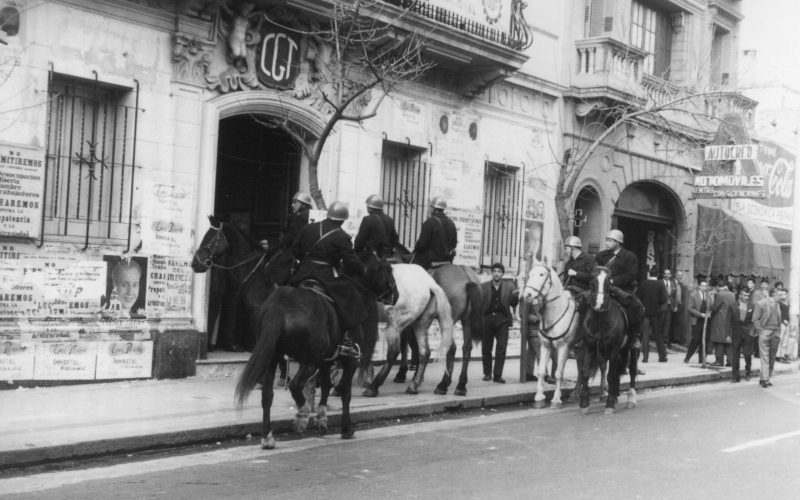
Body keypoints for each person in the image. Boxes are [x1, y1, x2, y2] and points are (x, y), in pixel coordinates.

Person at [289, 201, 366, 358]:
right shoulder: (341, 236)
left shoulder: (308, 228)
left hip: (302, 274)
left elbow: (295, 250)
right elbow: (351, 261)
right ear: (343, 220)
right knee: (350, 296)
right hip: (324, 275)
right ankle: (348, 341)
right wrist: (361, 270)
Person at [594, 229, 643, 349]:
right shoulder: (601, 255)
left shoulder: (630, 257)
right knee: (584, 301)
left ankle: (635, 335)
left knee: (635, 305)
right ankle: (583, 335)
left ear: (617, 242)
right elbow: (595, 270)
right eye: (607, 240)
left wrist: (612, 281)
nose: (607, 243)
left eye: (609, 241)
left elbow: (630, 275)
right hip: (601, 287)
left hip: (621, 287)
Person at [481, 263, 519, 384]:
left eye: (499, 271)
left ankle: (497, 375)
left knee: (501, 347)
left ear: (502, 273)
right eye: (494, 271)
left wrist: (516, 296)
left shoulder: (510, 286)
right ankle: (487, 374)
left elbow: (513, 304)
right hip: (488, 319)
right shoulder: (484, 286)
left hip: (503, 319)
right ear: (491, 273)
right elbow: (480, 303)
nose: (496, 273)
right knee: (486, 347)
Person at [412, 196, 457, 270]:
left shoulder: (429, 222)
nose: (429, 209)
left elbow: (422, 245)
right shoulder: (451, 223)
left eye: (430, 207)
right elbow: (454, 244)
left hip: (430, 261)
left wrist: (417, 246)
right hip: (447, 260)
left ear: (434, 209)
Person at [752, 288, 782, 387]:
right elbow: (755, 319)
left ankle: (765, 378)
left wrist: (778, 331)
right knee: (765, 356)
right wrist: (761, 331)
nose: (781, 297)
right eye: (779, 295)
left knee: (772, 357)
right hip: (765, 331)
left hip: (775, 332)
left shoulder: (778, 305)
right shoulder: (761, 303)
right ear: (774, 295)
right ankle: (765, 379)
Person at [354, 194, 399, 260]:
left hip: (372, 257)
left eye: (367, 206)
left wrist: (356, 252)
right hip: (387, 255)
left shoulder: (367, 219)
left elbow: (360, 240)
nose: (367, 207)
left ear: (371, 207)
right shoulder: (389, 219)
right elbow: (395, 238)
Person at [637, 266, 667, 363]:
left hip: (645, 313)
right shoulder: (660, 285)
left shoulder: (644, 284)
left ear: (649, 274)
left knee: (645, 335)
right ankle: (662, 356)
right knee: (658, 335)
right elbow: (663, 299)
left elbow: (639, 297)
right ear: (658, 274)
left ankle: (645, 357)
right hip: (656, 313)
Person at [708, 279, 735, 367]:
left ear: (718, 286)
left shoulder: (719, 295)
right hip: (730, 320)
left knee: (718, 341)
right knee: (728, 341)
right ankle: (730, 361)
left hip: (719, 320)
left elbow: (714, 307)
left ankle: (719, 360)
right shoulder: (733, 294)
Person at [731, 287, 755, 382]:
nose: (746, 297)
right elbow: (728, 320)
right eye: (744, 295)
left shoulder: (752, 306)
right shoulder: (733, 305)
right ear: (740, 295)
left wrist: (753, 332)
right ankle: (735, 376)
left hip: (748, 332)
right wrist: (728, 334)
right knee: (735, 355)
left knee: (747, 354)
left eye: (748, 296)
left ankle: (748, 371)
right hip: (736, 332)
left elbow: (754, 320)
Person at [684, 278, 711, 363]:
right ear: (699, 286)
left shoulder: (708, 296)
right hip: (697, 320)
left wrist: (709, 313)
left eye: (705, 286)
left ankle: (702, 359)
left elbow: (710, 307)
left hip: (706, 321)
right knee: (695, 340)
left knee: (705, 340)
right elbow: (690, 308)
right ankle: (687, 357)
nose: (704, 287)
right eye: (702, 286)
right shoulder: (693, 295)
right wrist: (700, 314)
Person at [661, 269, 678, 349]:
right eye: (665, 274)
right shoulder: (660, 282)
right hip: (662, 306)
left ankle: (666, 340)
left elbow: (675, 296)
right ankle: (660, 340)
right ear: (663, 275)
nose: (667, 275)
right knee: (661, 323)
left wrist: (675, 306)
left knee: (668, 324)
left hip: (670, 306)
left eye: (668, 274)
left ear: (670, 275)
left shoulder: (673, 284)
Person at [776, 288, 791, 363]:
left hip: (787, 323)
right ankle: (778, 355)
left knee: (785, 340)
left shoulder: (788, 302)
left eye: (784, 294)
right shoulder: (779, 303)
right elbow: (778, 313)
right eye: (781, 294)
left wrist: (788, 321)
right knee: (780, 339)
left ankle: (782, 355)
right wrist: (782, 320)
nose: (783, 296)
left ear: (787, 294)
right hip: (781, 323)